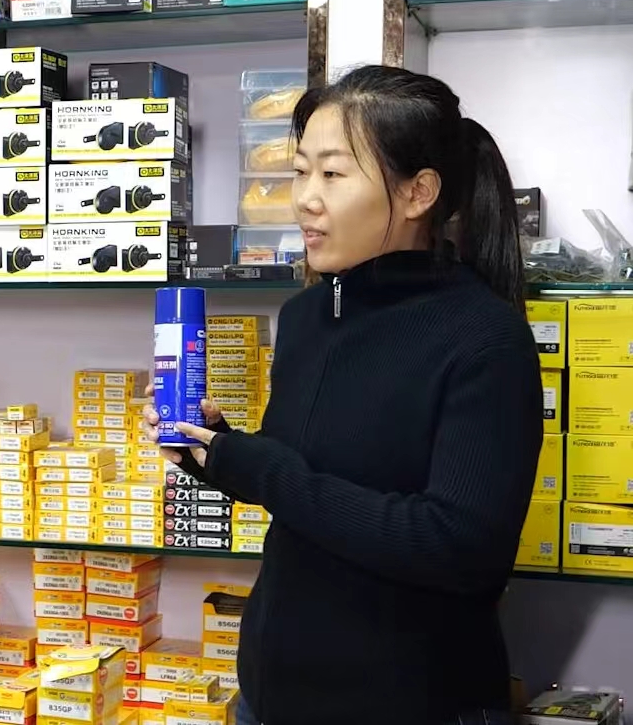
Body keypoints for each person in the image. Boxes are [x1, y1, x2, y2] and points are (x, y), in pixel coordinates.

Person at [146, 65, 542, 725]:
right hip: (269, 699)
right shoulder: (306, 317)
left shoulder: (484, 337)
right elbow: (310, 485)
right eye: (300, 171)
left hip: (409, 704)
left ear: (418, 193)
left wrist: (264, 470)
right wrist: (216, 451)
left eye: (332, 174)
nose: (304, 198)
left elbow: (460, 550)